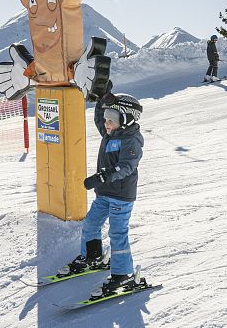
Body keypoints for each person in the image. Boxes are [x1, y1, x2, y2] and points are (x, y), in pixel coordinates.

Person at [59, 88, 144, 296]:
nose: (106, 124)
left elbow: (126, 166)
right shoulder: (110, 132)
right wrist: (102, 100)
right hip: (104, 193)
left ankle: (123, 273)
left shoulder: (131, 140)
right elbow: (99, 118)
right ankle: (92, 256)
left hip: (121, 196)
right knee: (90, 224)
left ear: (126, 119)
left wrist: (102, 176)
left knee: (117, 233)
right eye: (106, 119)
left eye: (111, 119)